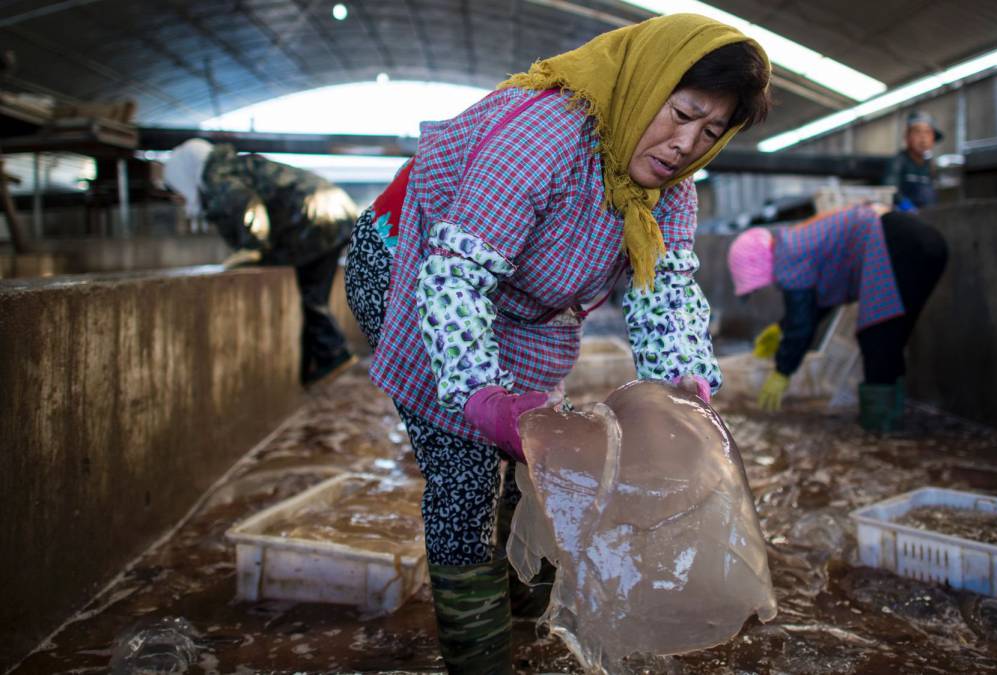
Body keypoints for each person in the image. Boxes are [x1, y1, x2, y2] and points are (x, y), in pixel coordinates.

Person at [344, 14, 770, 673]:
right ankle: (479, 653)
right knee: (465, 468)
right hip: (415, 254)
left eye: (711, 131)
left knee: (539, 458)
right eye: (682, 112)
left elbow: (666, 292)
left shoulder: (670, 190)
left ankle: (530, 613)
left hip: (527, 301)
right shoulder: (547, 132)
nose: (687, 143)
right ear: (647, 83)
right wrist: (482, 397)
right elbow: (455, 278)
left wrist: (685, 387)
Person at [728, 205, 947, 431]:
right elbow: (813, 308)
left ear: (759, 264)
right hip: (923, 241)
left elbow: (802, 324)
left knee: (878, 338)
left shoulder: (787, 258)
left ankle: (878, 433)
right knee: (890, 339)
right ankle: (893, 425)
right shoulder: (794, 243)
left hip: (897, 242)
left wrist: (782, 371)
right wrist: (782, 328)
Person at [162, 139, 358, 386]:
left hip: (315, 219)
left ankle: (334, 354)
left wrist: (252, 247)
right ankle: (322, 360)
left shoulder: (217, 178)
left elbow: (248, 206)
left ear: (183, 174)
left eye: (176, 189)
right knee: (312, 293)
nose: (179, 197)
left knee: (310, 296)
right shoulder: (230, 166)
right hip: (331, 213)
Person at [885, 110, 943, 210]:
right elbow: (890, 190)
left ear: (933, 139)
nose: (923, 138)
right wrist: (905, 206)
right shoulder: (899, 161)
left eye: (927, 132)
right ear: (907, 137)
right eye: (917, 132)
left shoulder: (930, 165)